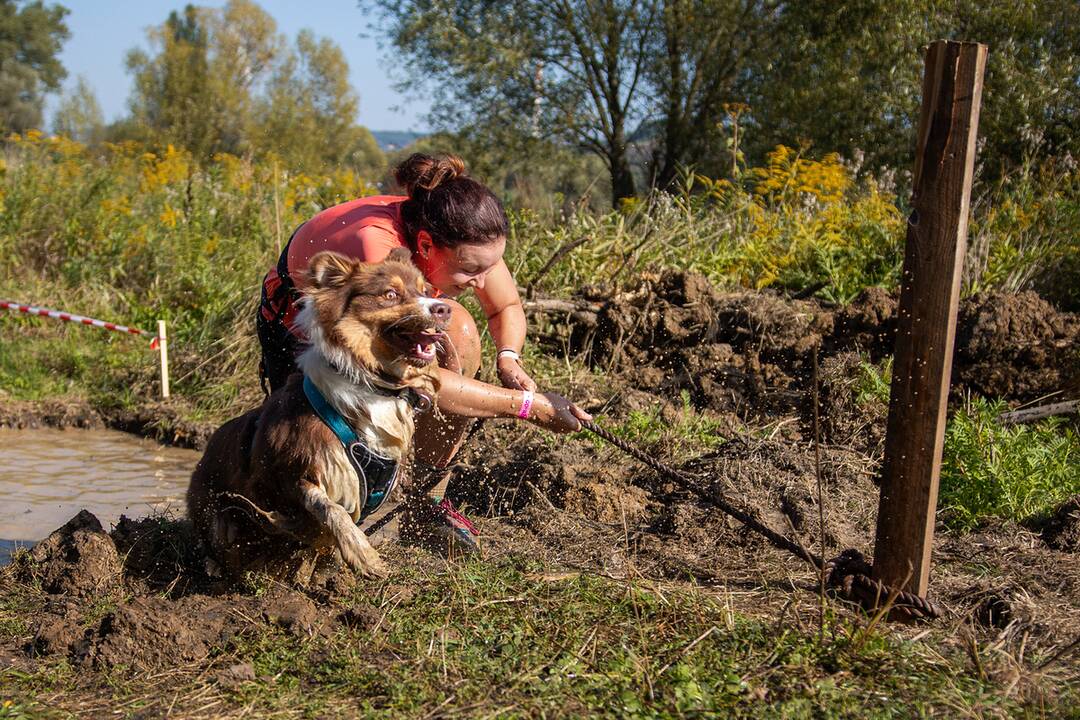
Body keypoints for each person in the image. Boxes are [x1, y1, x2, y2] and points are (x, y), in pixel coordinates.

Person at [256, 152, 592, 552]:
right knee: (309, 453)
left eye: (490, 267)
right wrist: (530, 407)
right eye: (471, 271)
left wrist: (508, 358)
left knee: (460, 334)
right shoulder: (375, 247)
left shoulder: (470, 243)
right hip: (307, 333)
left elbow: (504, 306)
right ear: (426, 245)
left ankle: (426, 503)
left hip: (397, 318)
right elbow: (415, 376)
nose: (482, 280)